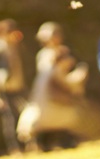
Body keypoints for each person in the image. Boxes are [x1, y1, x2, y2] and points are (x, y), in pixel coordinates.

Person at [17, 22, 90, 150]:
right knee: (45, 117)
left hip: (60, 89)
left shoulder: (64, 51)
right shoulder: (43, 55)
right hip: (46, 90)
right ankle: (43, 143)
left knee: (63, 116)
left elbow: (66, 71)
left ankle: (66, 140)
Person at [0, 19, 29, 154]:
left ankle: (29, 144)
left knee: (26, 114)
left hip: (19, 85)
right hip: (4, 89)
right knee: (10, 119)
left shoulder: (16, 46)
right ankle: (14, 148)